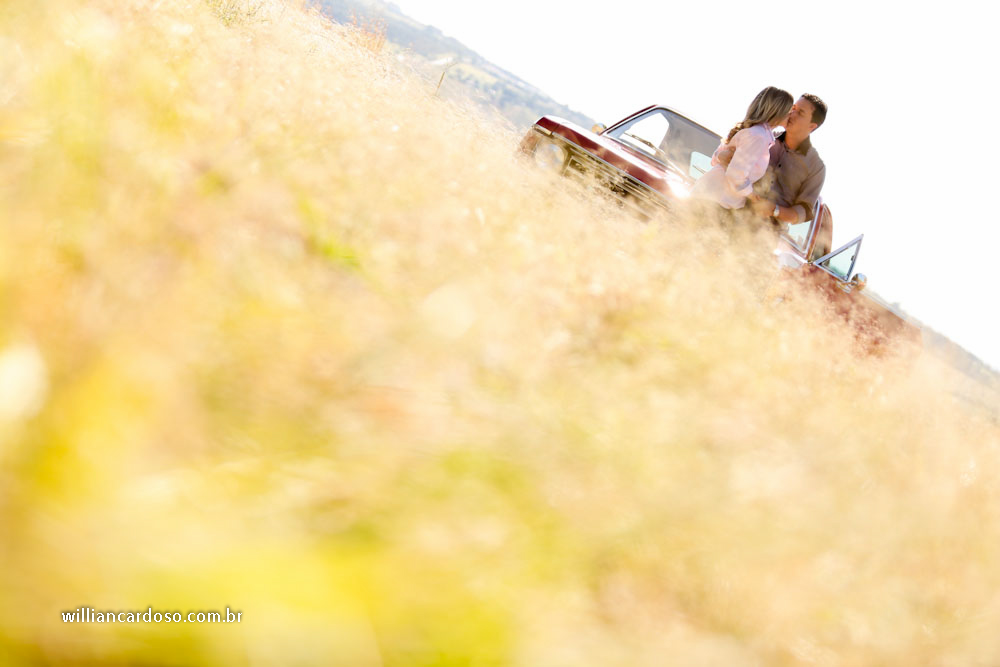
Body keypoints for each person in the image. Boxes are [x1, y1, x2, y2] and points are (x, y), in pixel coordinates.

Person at [689, 87, 793, 215]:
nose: (791, 115)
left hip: (713, 198)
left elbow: (718, 159)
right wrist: (751, 195)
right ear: (778, 111)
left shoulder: (759, 134)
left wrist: (721, 156)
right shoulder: (758, 136)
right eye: (789, 111)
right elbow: (735, 173)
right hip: (713, 201)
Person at [744, 94, 828, 227]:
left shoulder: (816, 167)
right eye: (793, 108)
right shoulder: (763, 137)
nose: (792, 113)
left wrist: (774, 210)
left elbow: (803, 212)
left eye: (800, 112)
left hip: (766, 235)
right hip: (733, 213)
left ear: (812, 126)